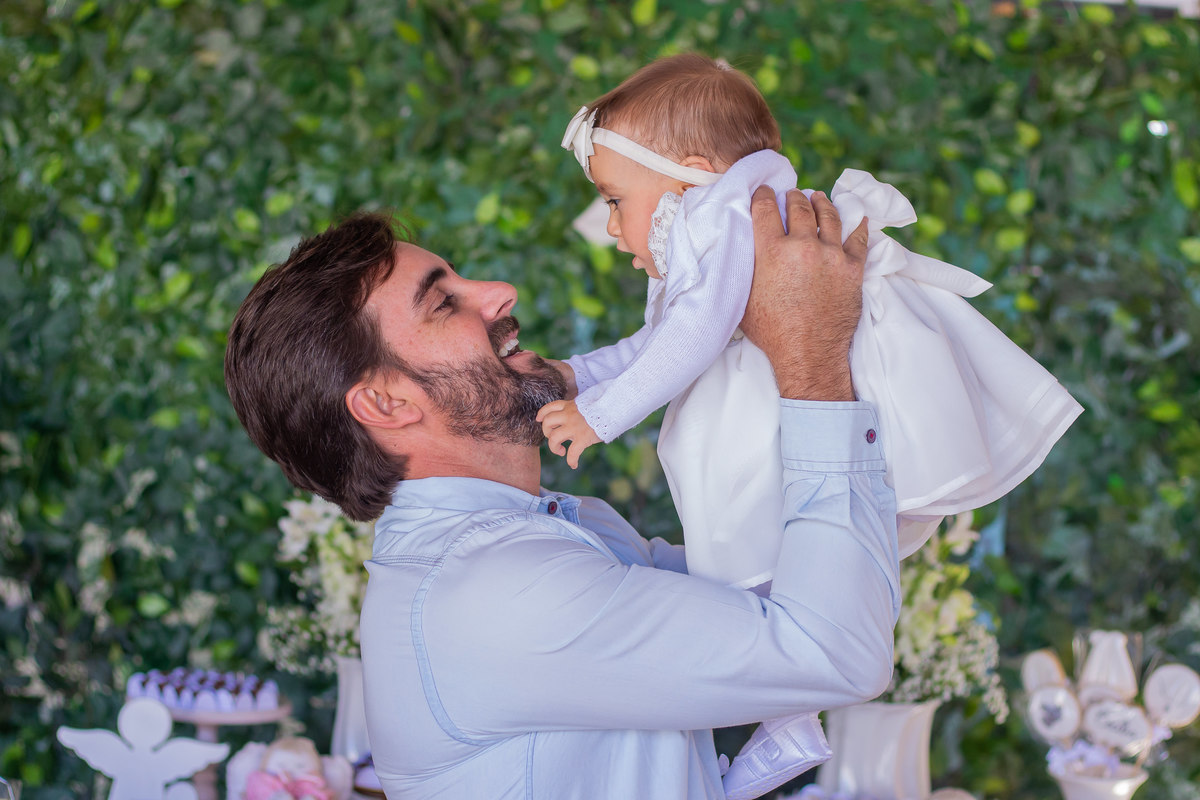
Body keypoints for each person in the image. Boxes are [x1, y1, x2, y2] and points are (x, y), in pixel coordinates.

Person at [224, 188, 900, 799]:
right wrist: (811, 359)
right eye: (444, 302)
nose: (500, 292)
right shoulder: (492, 589)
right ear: (386, 403)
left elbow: (782, 584)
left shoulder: (556, 532)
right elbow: (831, 651)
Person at [540, 52, 1082, 796]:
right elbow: (658, 340)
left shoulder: (726, 219)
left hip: (775, 402)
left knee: (756, 542)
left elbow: (689, 339)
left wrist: (601, 415)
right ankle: (788, 718)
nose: (609, 227)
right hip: (779, 397)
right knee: (779, 557)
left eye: (614, 200)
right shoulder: (723, 217)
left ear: (690, 176)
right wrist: (577, 375)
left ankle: (788, 715)